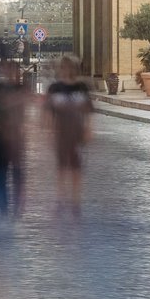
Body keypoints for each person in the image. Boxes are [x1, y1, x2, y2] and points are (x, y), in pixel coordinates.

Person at [45, 55, 92, 218]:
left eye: (69, 66)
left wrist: (88, 129)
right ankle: (60, 200)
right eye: (63, 67)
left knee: (76, 169)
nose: (66, 70)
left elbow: (88, 111)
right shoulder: (54, 88)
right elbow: (49, 112)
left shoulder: (81, 87)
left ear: (74, 68)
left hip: (76, 133)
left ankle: (75, 202)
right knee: (61, 168)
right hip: (61, 133)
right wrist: (49, 131)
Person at [0, 69, 27, 216]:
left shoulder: (15, 95)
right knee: (3, 177)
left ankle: (12, 209)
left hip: (12, 141)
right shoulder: (0, 95)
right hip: (3, 141)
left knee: (12, 176)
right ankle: (5, 209)